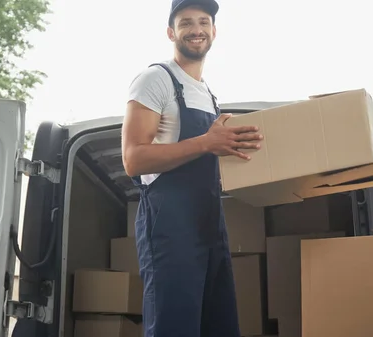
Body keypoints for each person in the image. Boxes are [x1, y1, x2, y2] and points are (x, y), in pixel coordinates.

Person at [121, 0, 263, 336]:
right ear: (171, 32)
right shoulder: (155, 79)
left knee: (219, 324)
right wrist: (206, 143)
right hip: (171, 228)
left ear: (213, 31)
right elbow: (133, 159)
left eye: (203, 21)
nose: (196, 29)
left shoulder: (209, 95)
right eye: (186, 22)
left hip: (210, 226)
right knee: (174, 327)